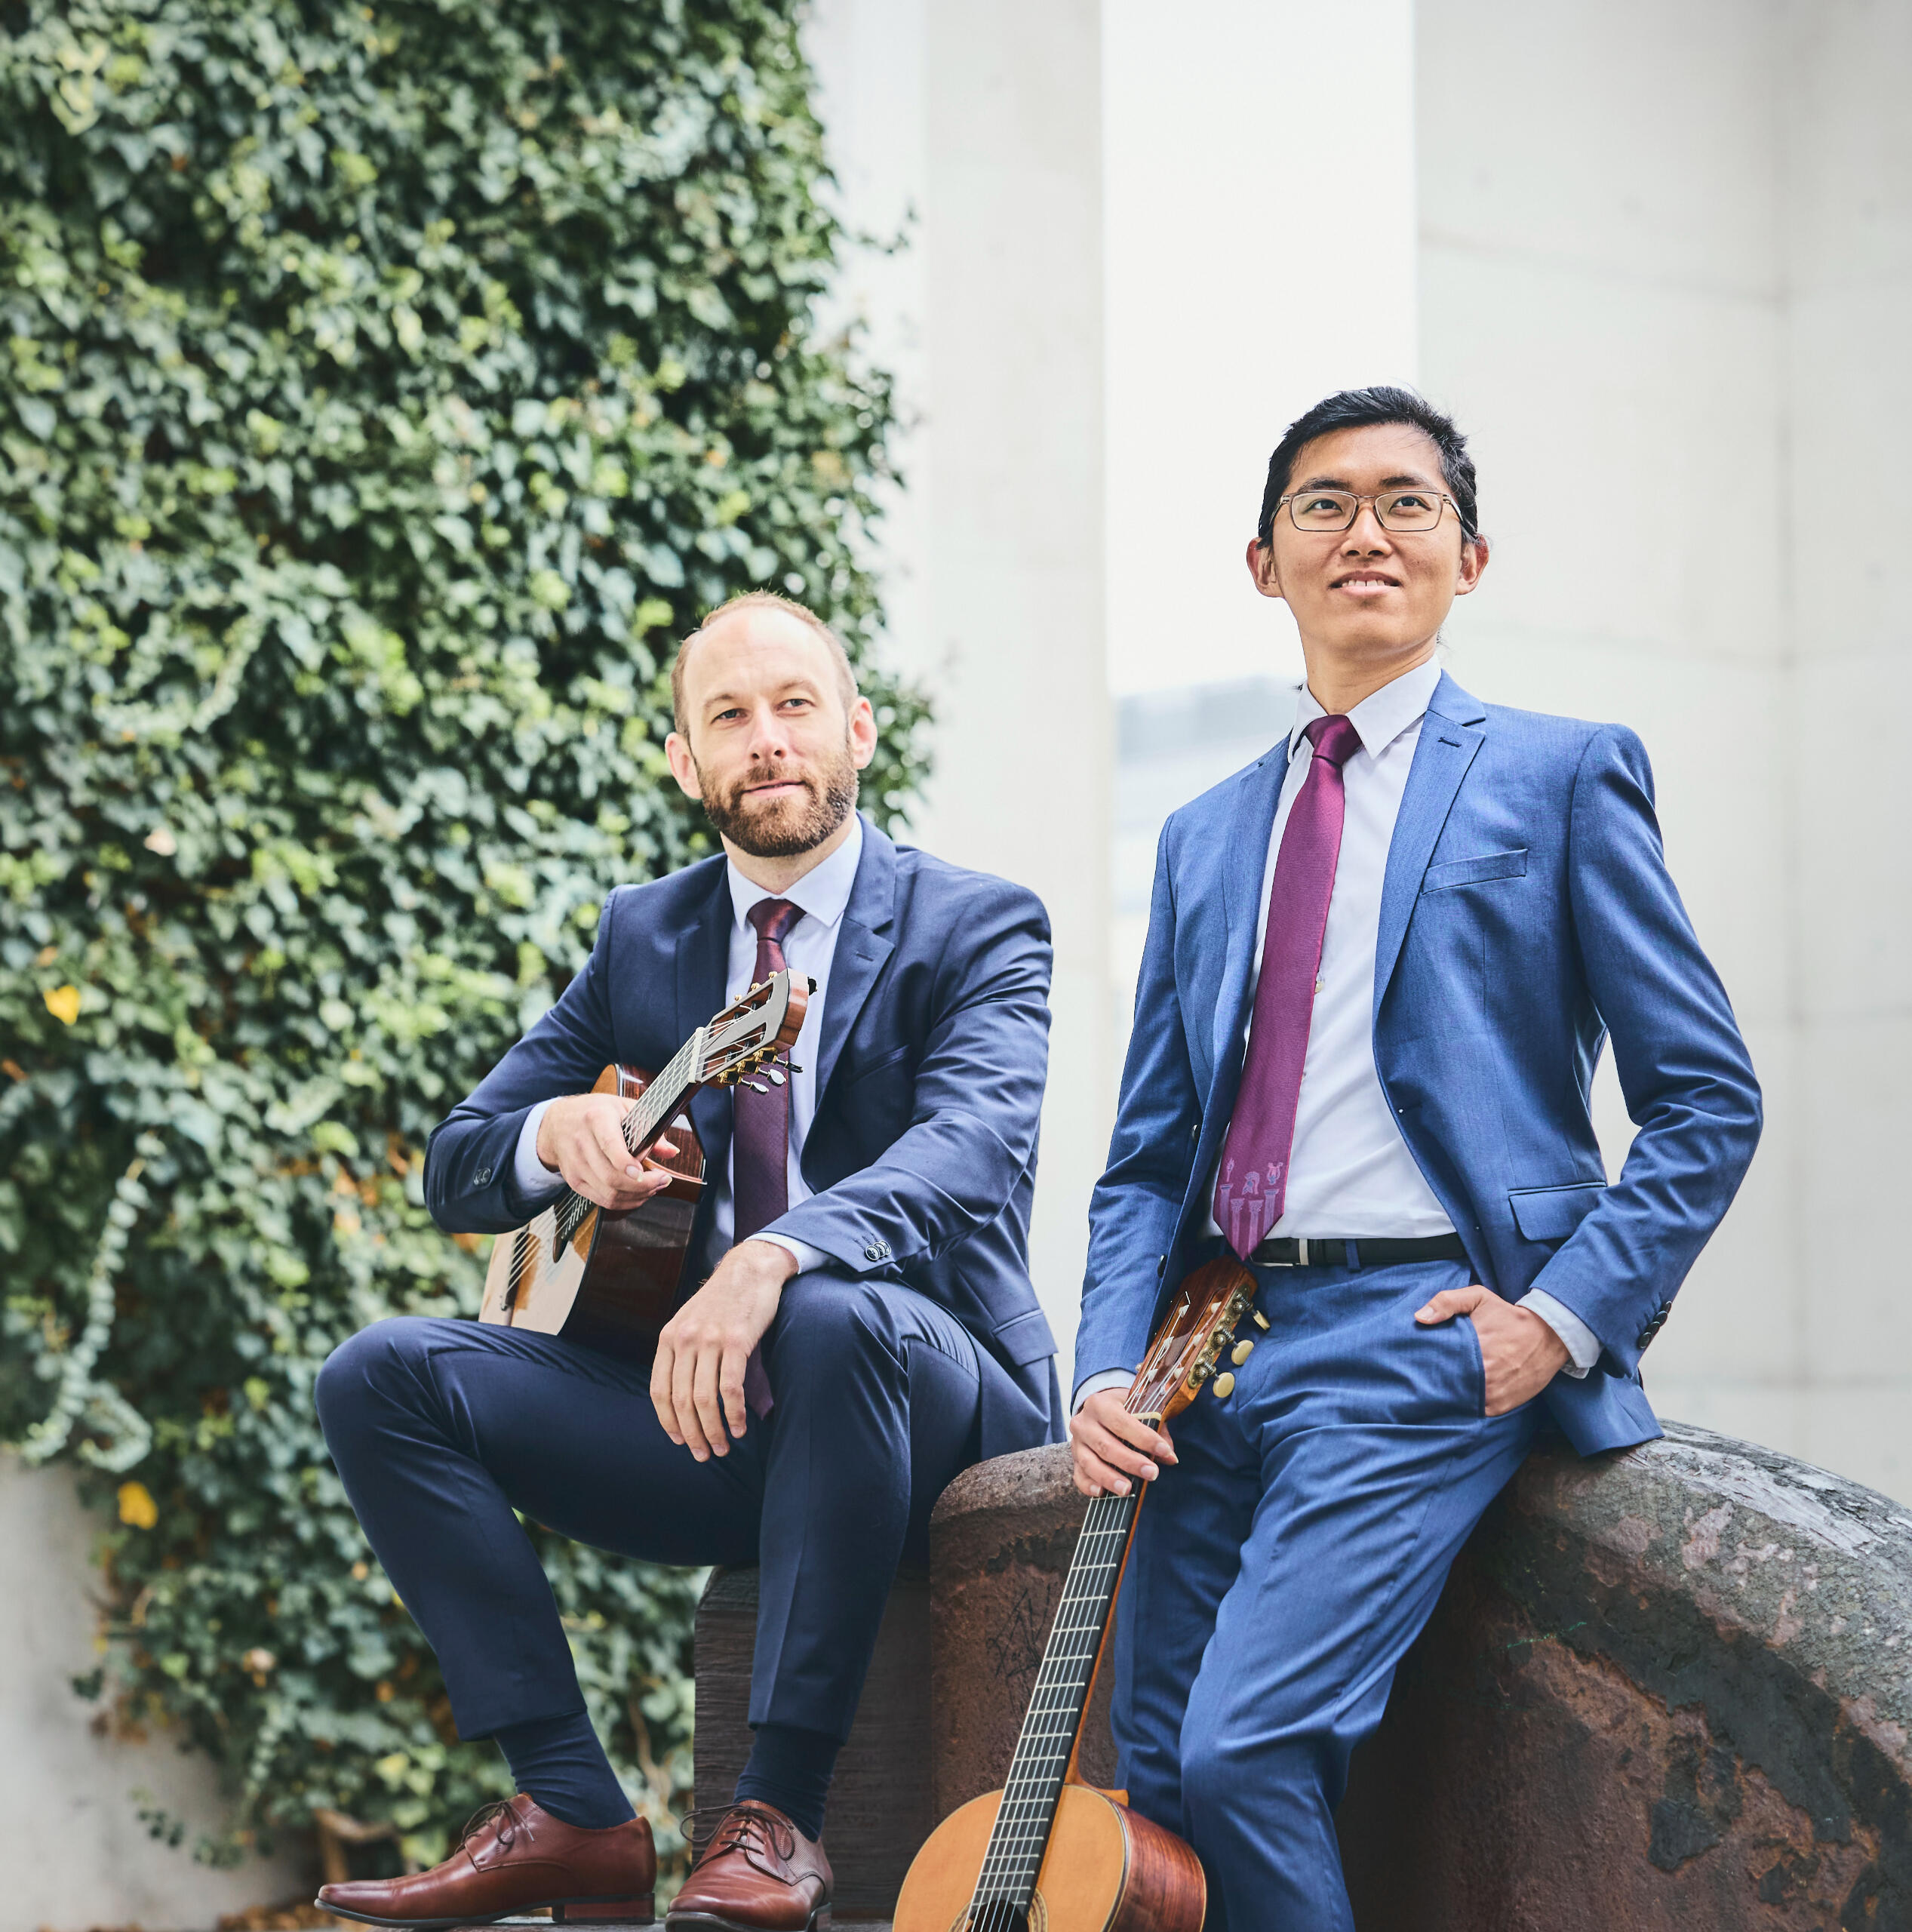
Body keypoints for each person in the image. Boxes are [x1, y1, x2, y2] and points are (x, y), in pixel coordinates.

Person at [1069, 388, 1761, 1930]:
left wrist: (1560, 1316)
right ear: (1264, 561)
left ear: (1470, 554)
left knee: (1247, 1749)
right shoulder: (1199, 832)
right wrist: (1103, 1364)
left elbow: (1706, 1095)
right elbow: (1143, 1157)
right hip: (1206, 1353)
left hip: (1419, 1338)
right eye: (1322, 503)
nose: (1363, 531)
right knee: (1158, 1794)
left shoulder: (1561, 773)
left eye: (1405, 501)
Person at [313, 592, 1061, 1930]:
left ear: (858, 730)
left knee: (828, 1314)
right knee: (381, 1376)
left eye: (793, 706)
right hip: (708, 1426)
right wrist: (564, 1130)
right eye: (728, 715)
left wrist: (771, 1258)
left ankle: (773, 1820)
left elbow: (973, 1155)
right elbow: (459, 1160)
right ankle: (571, 1812)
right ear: (683, 762)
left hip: (934, 1418)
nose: (765, 739)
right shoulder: (644, 936)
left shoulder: (977, 925)